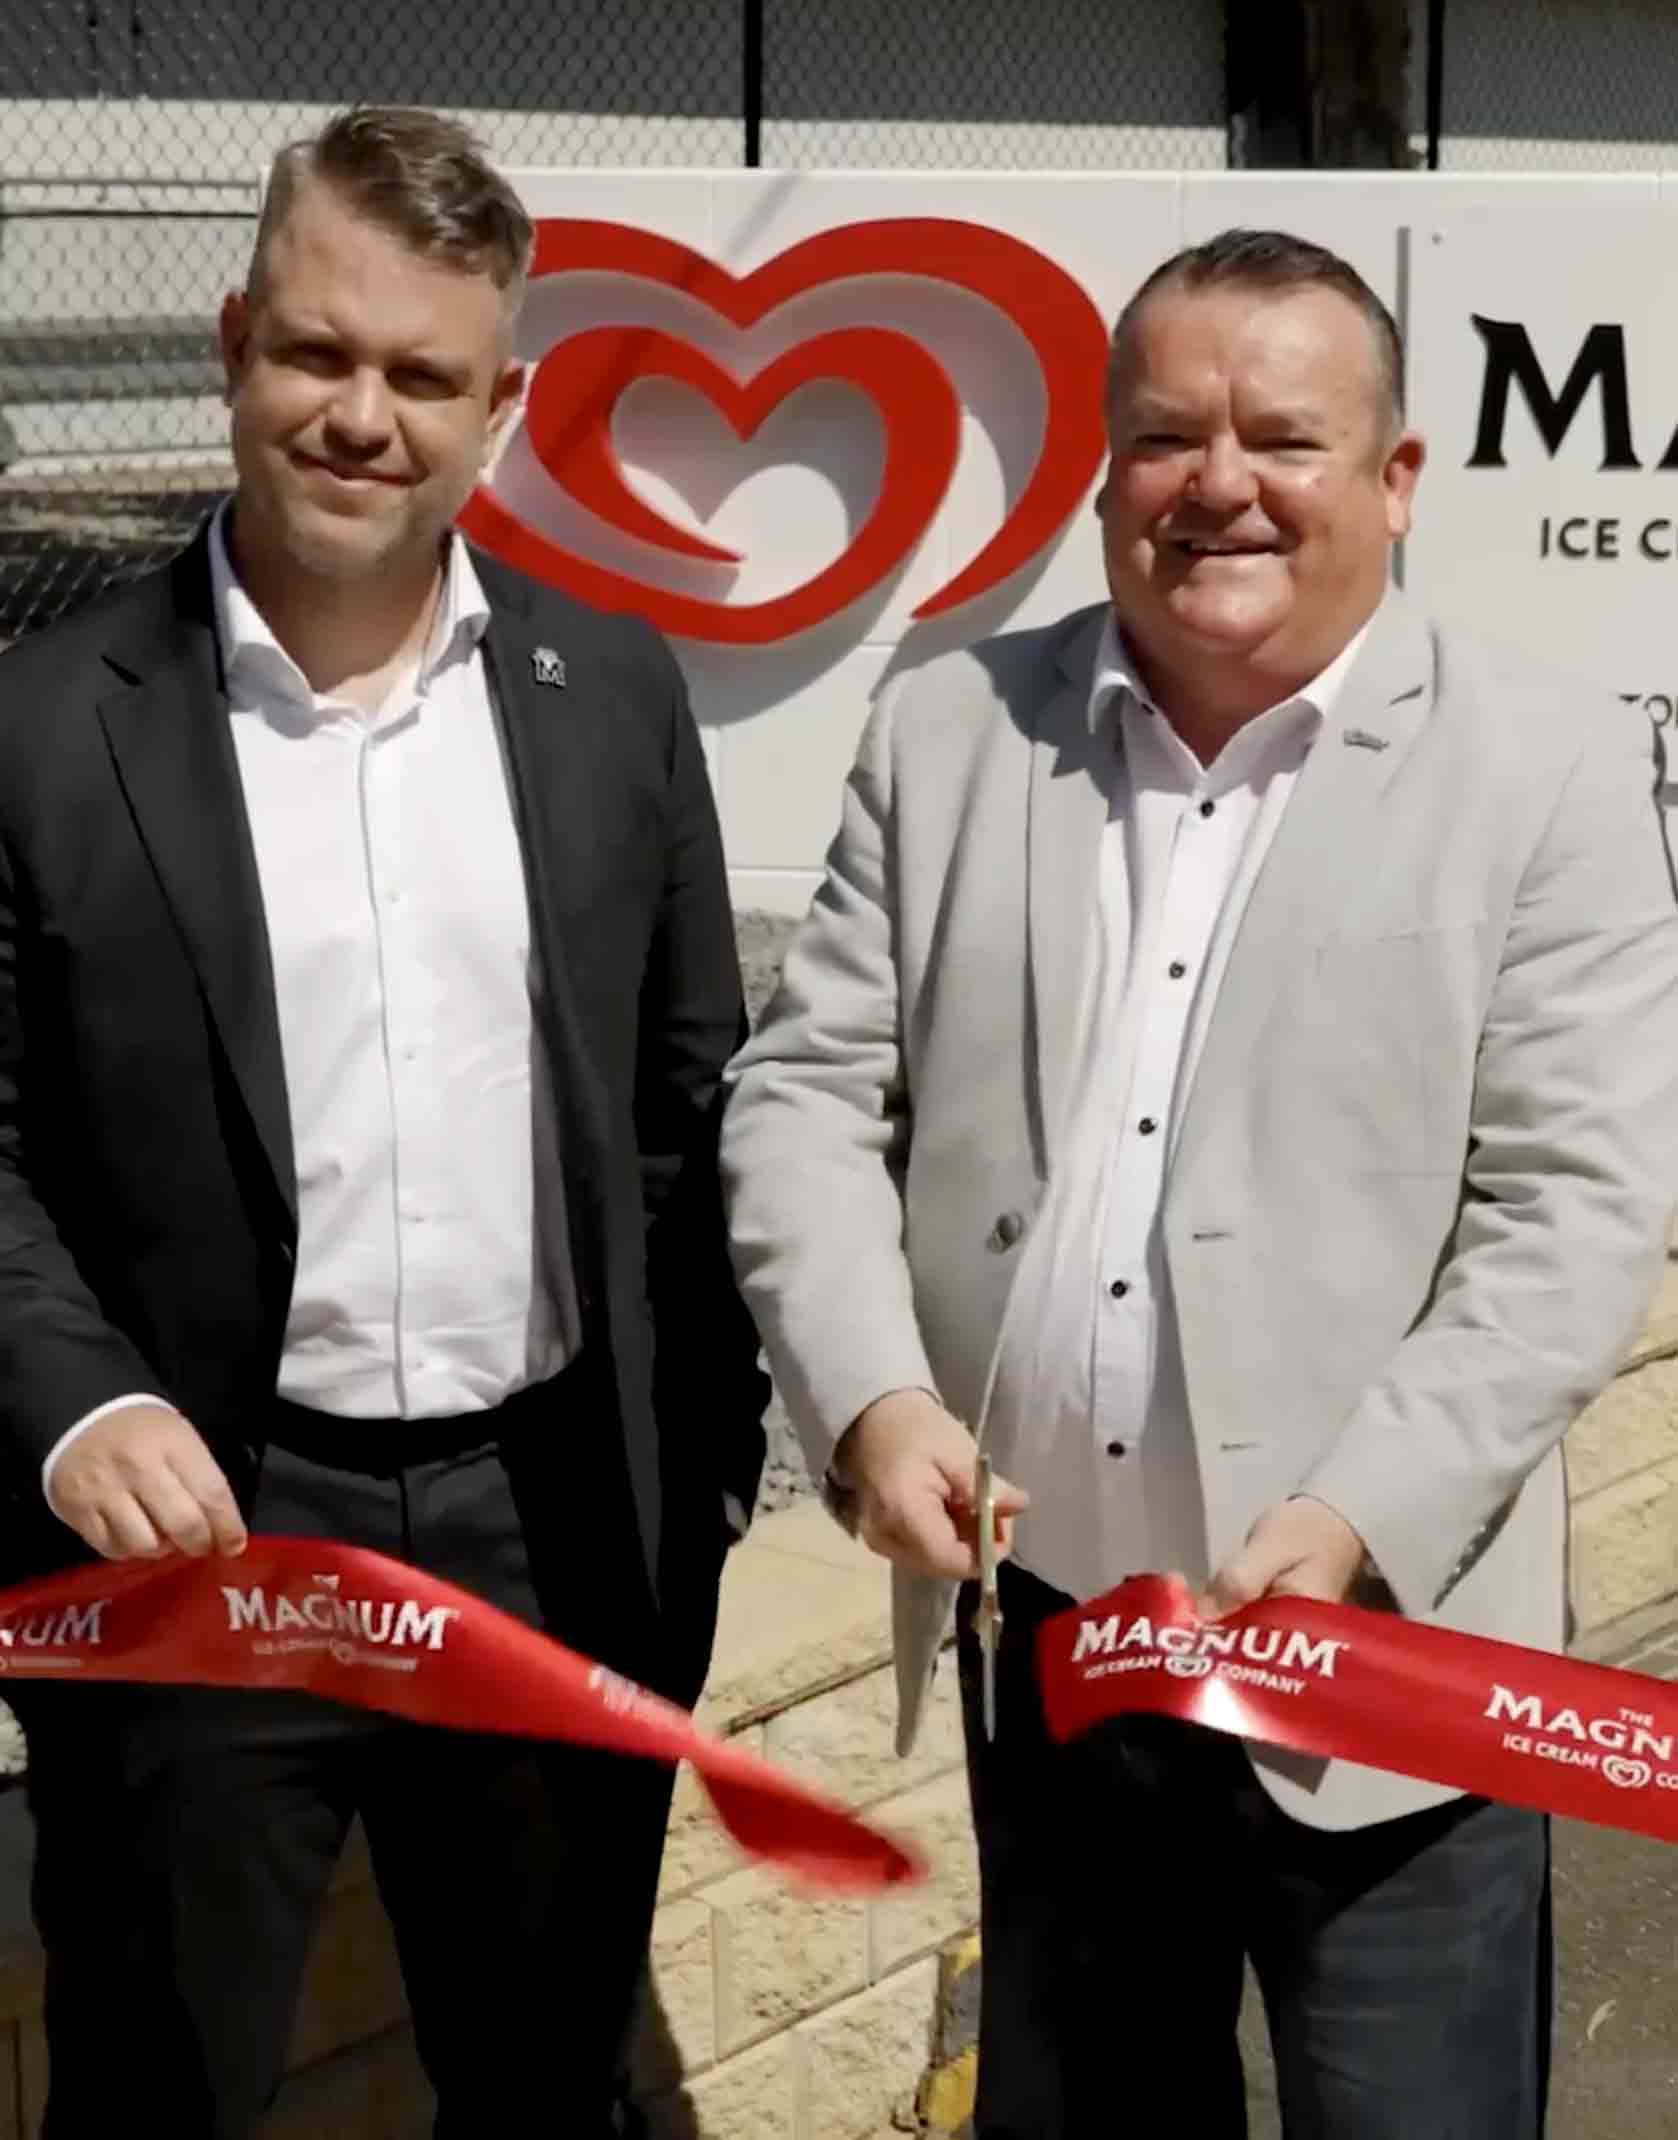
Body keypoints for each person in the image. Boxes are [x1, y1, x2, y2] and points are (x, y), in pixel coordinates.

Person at [721, 227, 1678, 2138]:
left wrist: (1355, 1511)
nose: (1217, 484)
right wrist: (873, 1396)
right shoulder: (946, 730)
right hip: (1060, 1650)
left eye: (1282, 439)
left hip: (1383, 1673)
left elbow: (1575, 1208)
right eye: (1165, 436)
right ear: (1103, 472)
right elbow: (806, 1095)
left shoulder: (1552, 764)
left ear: (1396, 481)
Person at [0, 105, 765, 2139]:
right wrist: (77, 1402)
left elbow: (694, 1108)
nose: (363, 413)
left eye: (424, 374)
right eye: (319, 352)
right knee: (155, 2086)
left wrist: (691, 1489)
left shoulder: (612, 689)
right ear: (236, 336)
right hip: (203, 1535)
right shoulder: (41, 719)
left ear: (498, 404)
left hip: (550, 1527)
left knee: (541, 2079)